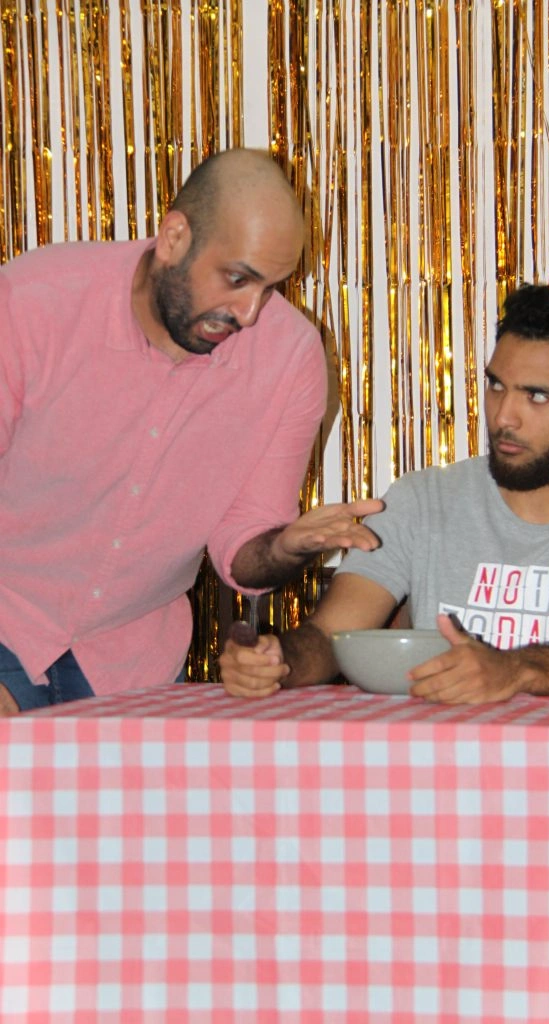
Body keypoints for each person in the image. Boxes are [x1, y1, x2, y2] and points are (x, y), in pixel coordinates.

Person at [0, 148, 381, 715]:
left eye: (270, 288)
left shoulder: (291, 357)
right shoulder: (35, 299)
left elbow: (243, 548)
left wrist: (284, 547)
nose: (249, 312)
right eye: (238, 278)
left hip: (132, 661)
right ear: (174, 238)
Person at [220, 283, 549, 704]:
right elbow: (330, 637)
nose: (504, 417)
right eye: (496, 385)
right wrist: (278, 662)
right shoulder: (421, 499)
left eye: (537, 396)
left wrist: (514, 669)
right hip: (438, 763)